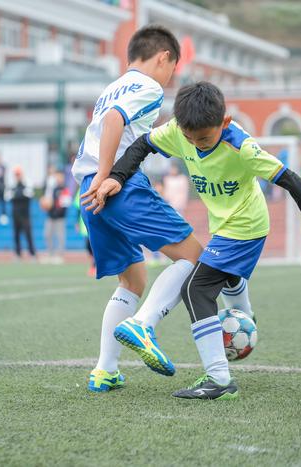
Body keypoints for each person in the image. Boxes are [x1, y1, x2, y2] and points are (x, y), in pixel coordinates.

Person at [87, 82, 301, 400]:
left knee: (196, 289)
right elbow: (142, 144)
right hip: (224, 227)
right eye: (191, 139)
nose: (197, 145)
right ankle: (245, 315)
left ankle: (219, 379)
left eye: (205, 139)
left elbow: (289, 179)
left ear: (224, 123)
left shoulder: (242, 147)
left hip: (247, 228)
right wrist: (116, 176)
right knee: (224, 277)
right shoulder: (180, 132)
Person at [75, 25, 204, 393]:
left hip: (87, 191)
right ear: (163, 56)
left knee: (133, 280)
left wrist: (95, 180)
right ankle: (143, 324)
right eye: (172, 68)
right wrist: (106, 176)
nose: (170, 77)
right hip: (117, 186)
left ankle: (105, 370)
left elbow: (107, 119)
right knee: (194, 257)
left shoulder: (111, 87)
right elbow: (116, 120)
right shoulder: (148, 87)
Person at [7, 166, 36, 261]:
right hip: (15, 214)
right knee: (16, 234)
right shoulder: (12, 184)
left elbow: (29, 194)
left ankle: (32, 254)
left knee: (28, 234)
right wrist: (19, 194)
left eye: (18, 174)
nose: (17, 176)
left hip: (25, 214)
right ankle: (18, 254)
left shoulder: (27, 183)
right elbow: (7, 196)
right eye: (16, 174)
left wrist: (17, 194)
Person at [42, 170, 71, 264]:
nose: (58, 179)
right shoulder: (52, 189)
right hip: (50, 216)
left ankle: (60, 255)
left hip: (60, 217)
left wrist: (59, 213)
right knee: (47, 234)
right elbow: (49, 201)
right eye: (57, 177)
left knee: (60, 236)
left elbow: (65, 204)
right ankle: (50, 254)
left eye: (60, 177)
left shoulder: (65, 189)